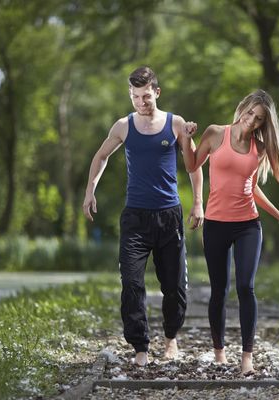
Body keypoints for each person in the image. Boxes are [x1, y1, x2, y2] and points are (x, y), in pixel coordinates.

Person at [82, 66, 204, 367]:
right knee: (132, 282)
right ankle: (140, 347)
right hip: (135, 218)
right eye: (135, 96)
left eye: (146, 96)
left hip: (169, 216)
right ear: (130, 94)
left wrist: (198, 203)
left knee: (174, 285)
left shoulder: (176, 124)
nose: (140, 102)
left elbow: (194, 165)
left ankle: (171, 339)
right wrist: (90, 191)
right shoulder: (123, 126)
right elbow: (100, 157)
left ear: (157, 92)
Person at [178, 89, 279, 375]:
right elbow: (192, 164)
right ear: (242, 108)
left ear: (262, 124)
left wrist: (278, 214)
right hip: (217, 223)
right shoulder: (216, 133)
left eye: (258, 119)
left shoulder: (259, 148)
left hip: (248, 225)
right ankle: (219, 353)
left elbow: (251, 186)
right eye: (250, 113)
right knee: (219, 290)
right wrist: (186, 137)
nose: (251, 120)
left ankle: (247, 358)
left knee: (246, 287)